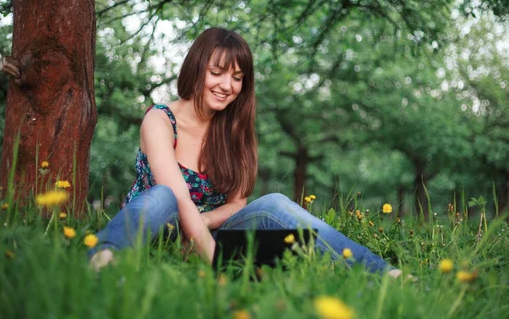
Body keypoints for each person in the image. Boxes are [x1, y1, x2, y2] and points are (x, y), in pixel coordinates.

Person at [89, 27, 401, 277]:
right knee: (162, 196)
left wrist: (207, 224)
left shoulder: (233, 127)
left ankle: (384, 274)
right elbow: (180, 199)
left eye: (237, 78)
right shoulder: (159, 120)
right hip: (159, 232)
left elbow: (238, 203)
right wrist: (217, 268)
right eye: (217, 72)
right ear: (197, 69)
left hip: (211, 236)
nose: (227, 85)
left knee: (276, 206)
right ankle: (104, 259)